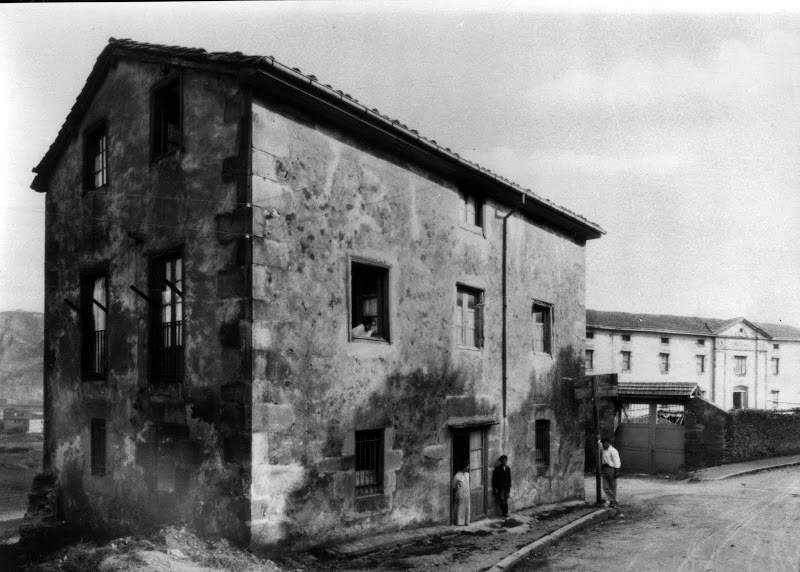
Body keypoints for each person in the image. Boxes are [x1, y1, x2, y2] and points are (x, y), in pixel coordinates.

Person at [599, 437, 621, 508]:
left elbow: (617, 461)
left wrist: (616, 471)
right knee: (605, 487)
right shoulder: (603, 449)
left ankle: (613, 502)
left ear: (607, 443)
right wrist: (598, 438)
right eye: (602, 444)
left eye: (604, 444)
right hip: (604, 469)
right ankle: (614, 500)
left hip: (611, 469)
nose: (603, 445)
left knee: (612, 486)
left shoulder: (613, 451)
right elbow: (599, 443)